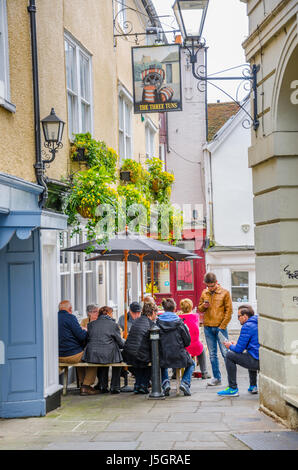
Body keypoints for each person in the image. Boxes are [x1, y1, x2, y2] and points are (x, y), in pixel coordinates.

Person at [198, 272, 233, 386]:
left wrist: (222, 326)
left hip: (220, 328)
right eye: (208, 286)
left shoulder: (225, 293)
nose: (210, 288)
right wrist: (204, 306)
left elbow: (229, 311)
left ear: (216, 283)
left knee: (225, 353)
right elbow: (200, 309)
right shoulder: (204, 292)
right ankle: (216, 378)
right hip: (208, 327)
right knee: (212, 354)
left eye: (212, 286)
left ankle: (231, 379)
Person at [58, 300, 99, 396]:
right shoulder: (70, 317)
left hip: (58, 355)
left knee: (82, 356)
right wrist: (85, 331)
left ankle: (82, 384)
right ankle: (86, 385)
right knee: (94, 356)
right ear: (70, 309)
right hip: (71, 355)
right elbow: (81, 336)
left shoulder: (54, 318)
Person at [217, 305, 260, 397]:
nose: (238, 319)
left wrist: (230, 346)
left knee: (229, 355)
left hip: (256, 362)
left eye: (238, 316)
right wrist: (235, 343)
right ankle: (253, 386)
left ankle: (232, 388)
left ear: (245, 316)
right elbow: (250, 344)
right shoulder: (257, 322)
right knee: (249, 352)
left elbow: (239, 349)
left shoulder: (247, 326)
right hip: (261, 358)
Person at [157, 298, 195, 397]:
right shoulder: (180, 323)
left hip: (164, 355)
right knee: (191, 364)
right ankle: (185, 383)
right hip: (179, 355)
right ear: (175, 309)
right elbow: (187, 341)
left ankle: (165, 383)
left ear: (164, 309)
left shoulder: (157, 323)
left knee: (162, 364)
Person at [83, 306, 125, 394]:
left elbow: (87, 339)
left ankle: (103, 386)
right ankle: (115, 387)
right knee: (117, 358)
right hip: (108, 354)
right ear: (109, 314)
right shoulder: (113, 325)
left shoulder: (91, 325)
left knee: (102, 357)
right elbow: (120, 343)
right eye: (112, 313)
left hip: (92, 355)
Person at [122, 302, 158, 394]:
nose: (156, 315)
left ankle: (138, 385)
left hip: (127, 354)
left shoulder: (136, 321)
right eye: (156, 313)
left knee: (140, 361)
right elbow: (152, 344)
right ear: (153, 312)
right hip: (139, 356)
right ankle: (143, 385)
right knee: (151, 360)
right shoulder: (151, 325)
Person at [178, 298, 210, 380]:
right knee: (202, 350)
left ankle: (175, 373)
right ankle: (204, 372)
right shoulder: (195, 316)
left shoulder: (178, 318)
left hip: (183, 346)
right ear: (191, 307)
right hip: (194, 345)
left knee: (176, 349)